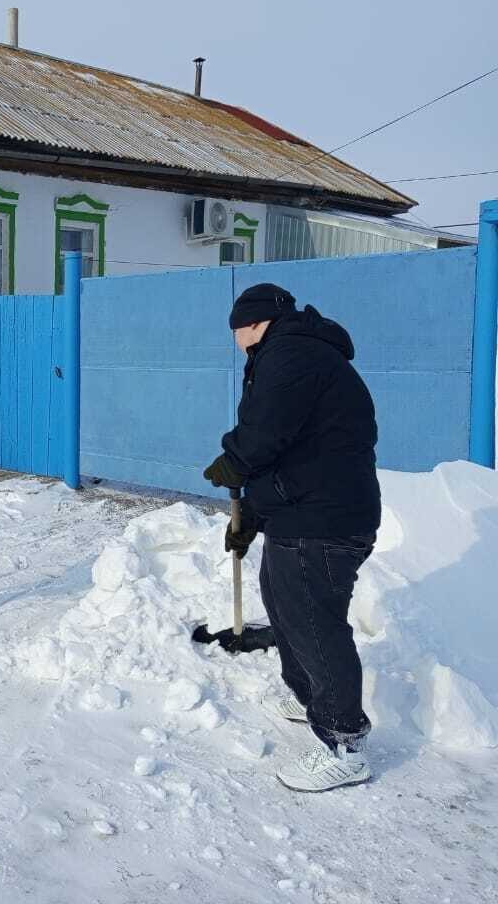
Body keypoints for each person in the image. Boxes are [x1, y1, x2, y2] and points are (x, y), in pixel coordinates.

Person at [203, 283, 380, 792]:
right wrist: (251, 519)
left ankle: (344, 741)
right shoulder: (295, 354)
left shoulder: (292, 354)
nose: (235, 338)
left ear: (253, 323)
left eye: (235, 329)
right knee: (284, 607)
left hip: (324, 521)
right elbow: (294, 454)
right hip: (303, 511)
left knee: (314, 624)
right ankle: (311, 699)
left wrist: (232, 460)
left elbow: (264, 436)